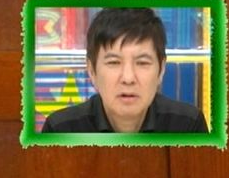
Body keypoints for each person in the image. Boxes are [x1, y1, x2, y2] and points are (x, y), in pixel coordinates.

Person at [41, 7, 208, 134]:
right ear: (92, 71)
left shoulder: (188, 125)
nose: (128, 78)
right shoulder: (61, 129)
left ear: (161, 69)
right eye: (114, 62)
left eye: (142, 63)